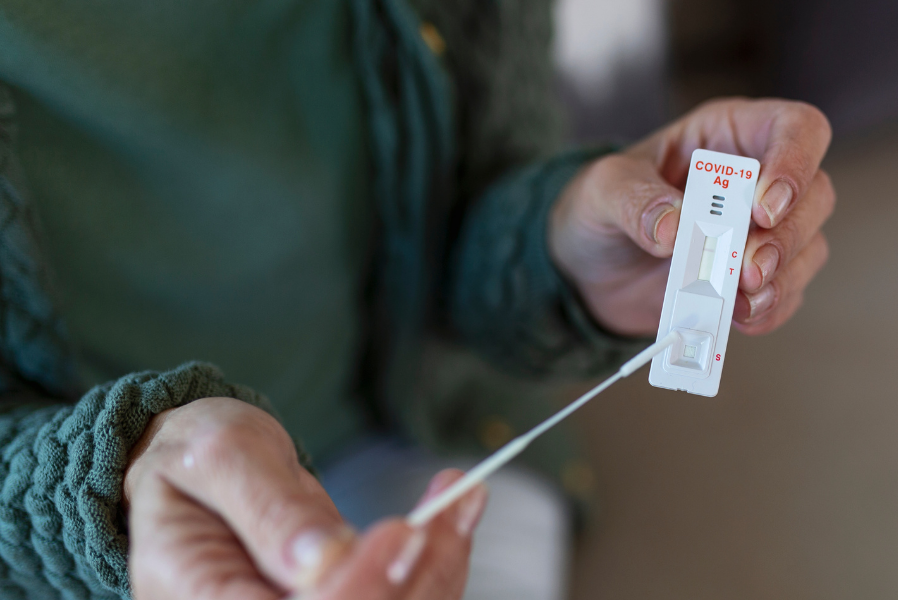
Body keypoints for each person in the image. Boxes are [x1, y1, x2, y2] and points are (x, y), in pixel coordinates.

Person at [0, 0, 834, 598]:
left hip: (433, 439)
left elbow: (482, 178)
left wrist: (558, 252)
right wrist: (113, 485)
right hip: (80, 544)